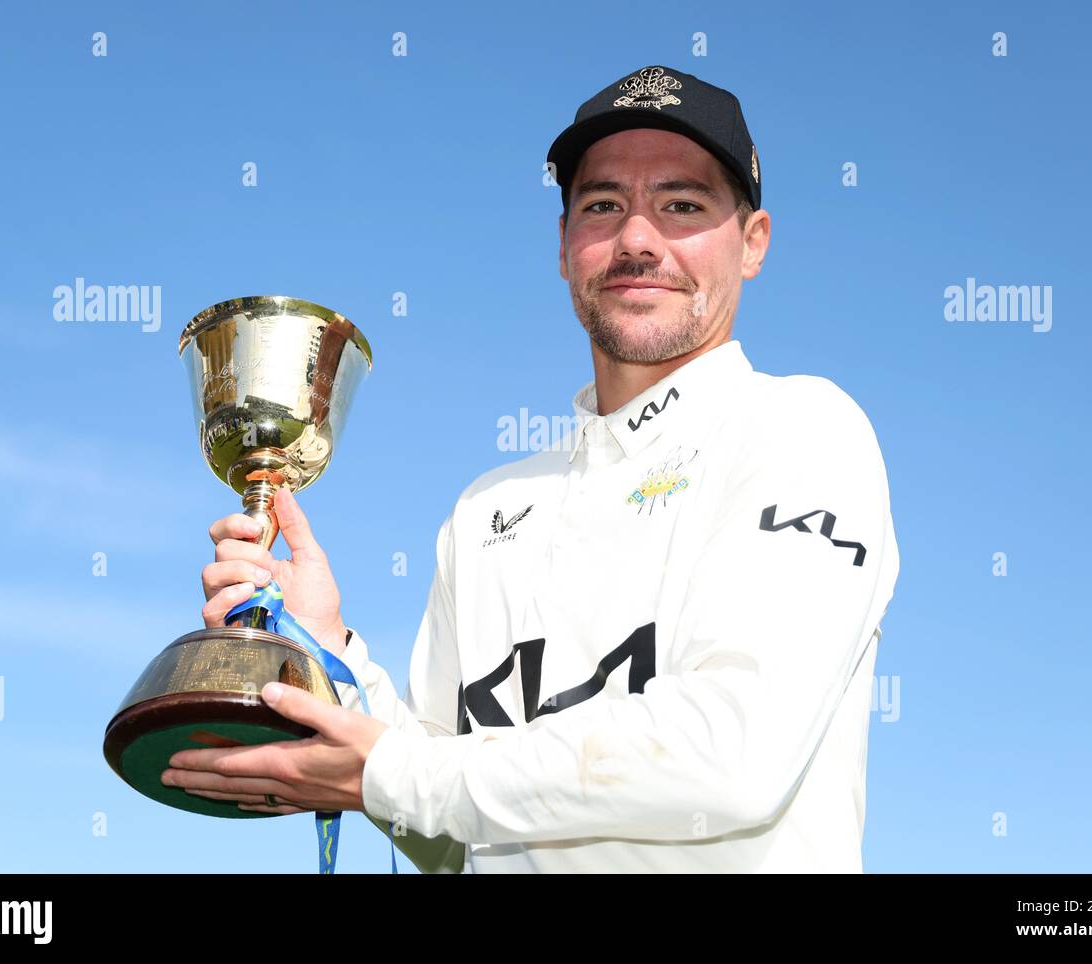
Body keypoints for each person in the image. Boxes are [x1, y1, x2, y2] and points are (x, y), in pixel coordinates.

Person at [162, 63, 901, 873]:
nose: (637, 239)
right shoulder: (486, 512)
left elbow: (733, 755)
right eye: (602, 206)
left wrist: (392, 772)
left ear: (752, 242)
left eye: (682, 205)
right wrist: (333, 649)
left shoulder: (799, 428)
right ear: (563, 247)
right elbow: (447, 834)